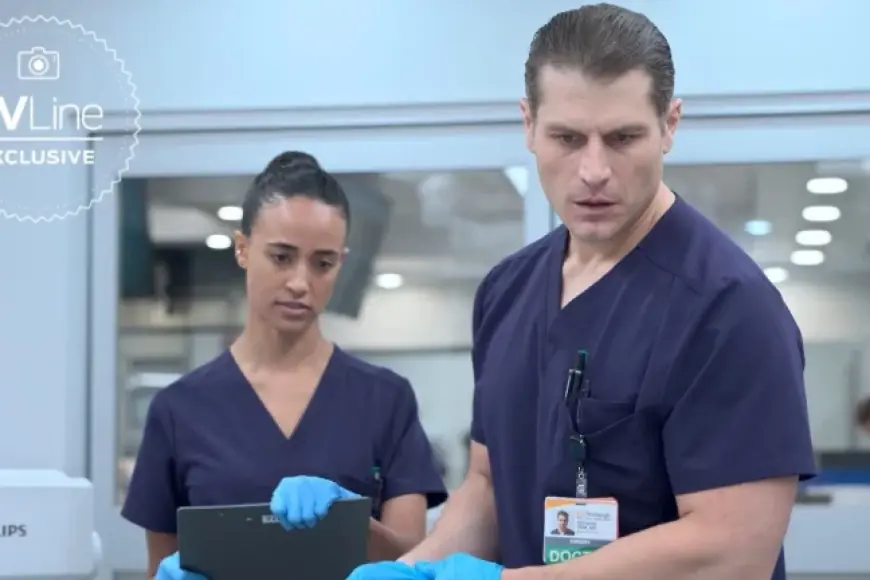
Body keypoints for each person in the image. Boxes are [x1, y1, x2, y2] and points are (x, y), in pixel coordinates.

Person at [347, 4, 815, 580]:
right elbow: (489, 484)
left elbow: (733, 552)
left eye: (623, 138)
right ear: (528, 125)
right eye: (567, 138)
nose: (594, 170)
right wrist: (417, 568)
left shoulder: (729, 308)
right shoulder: (506, 293)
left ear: (670, 125)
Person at [121, 151, 447, 579]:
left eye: (322, 263)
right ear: (243, 249)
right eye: (281, 257)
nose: (299, 282)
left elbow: (415, 565)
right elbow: (158, 569)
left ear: (341, 263)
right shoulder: (179, 411)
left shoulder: (385, 400)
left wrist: (348, 519)